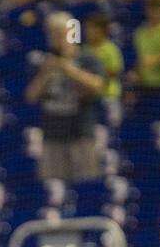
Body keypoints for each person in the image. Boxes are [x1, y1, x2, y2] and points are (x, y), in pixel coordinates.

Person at [25, 10, 106, 184]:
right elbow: (31, 96)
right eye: (54, 34)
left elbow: (98, 85)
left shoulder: (87, 58)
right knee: (53, 186)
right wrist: (46, 73)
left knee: (87, 185)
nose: (58, 38)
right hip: (53, 134)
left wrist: (69, 69)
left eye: (61, 33)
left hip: (80, 131)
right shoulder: (44, 62)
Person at [83, 12, 124, 100]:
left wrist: (95, 73)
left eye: (91, 28)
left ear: (102, 31)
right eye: (87, 28)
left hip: (109, 95)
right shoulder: (84, 49)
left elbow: (115, 71)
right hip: (90, 95)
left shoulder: (110, 48)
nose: (88, 31)